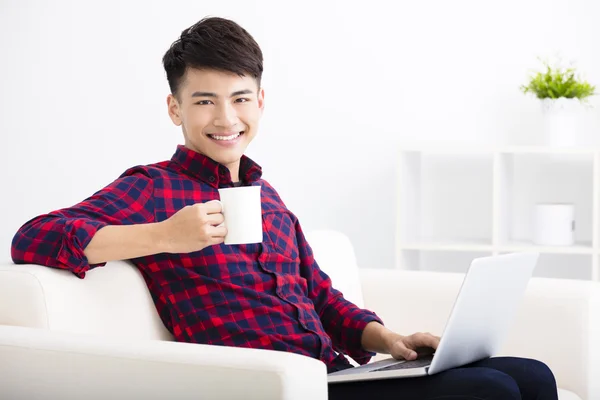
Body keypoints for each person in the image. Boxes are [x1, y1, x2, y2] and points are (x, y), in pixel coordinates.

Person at [11, 16, 558, 400]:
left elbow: (323, 298)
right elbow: (33, 236)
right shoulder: (154, 188)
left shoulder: (268, 199)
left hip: (334, 375)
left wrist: (387, 338)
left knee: (531, 375)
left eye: (240, 98)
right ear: (175, 109)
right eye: (205, 101)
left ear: (261, 101)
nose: (226, 118)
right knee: (489, 390)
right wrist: (162, 235)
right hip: (278, 387)